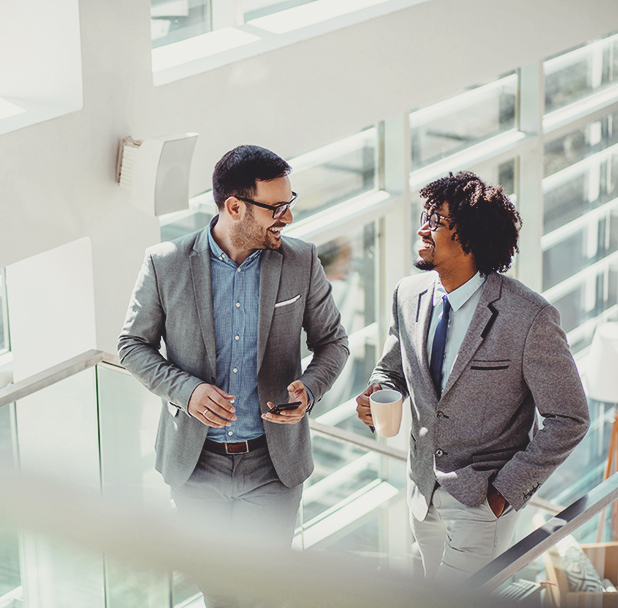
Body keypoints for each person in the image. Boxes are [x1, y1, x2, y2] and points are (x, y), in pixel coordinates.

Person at [119, 145, 349, 607]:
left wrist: (311, 389)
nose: (286, 216)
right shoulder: (166, 263)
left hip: (272, 465)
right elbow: (131, 346)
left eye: (290, 202)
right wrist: (187, 390)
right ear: (234, 206)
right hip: (195, 466)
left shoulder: (301, 262)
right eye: (276, 207)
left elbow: (333, 344)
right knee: (220, 594)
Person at [355, 171, 589, 583]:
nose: (422, 228)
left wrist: (503, 493)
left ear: (472, 239)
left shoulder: (529, 317)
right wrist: (381, 390)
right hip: (422, 493)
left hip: (482, 504)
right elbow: (394, 367)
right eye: (425, 214)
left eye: (436, 220)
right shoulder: (407, 294)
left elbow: (569, 418)